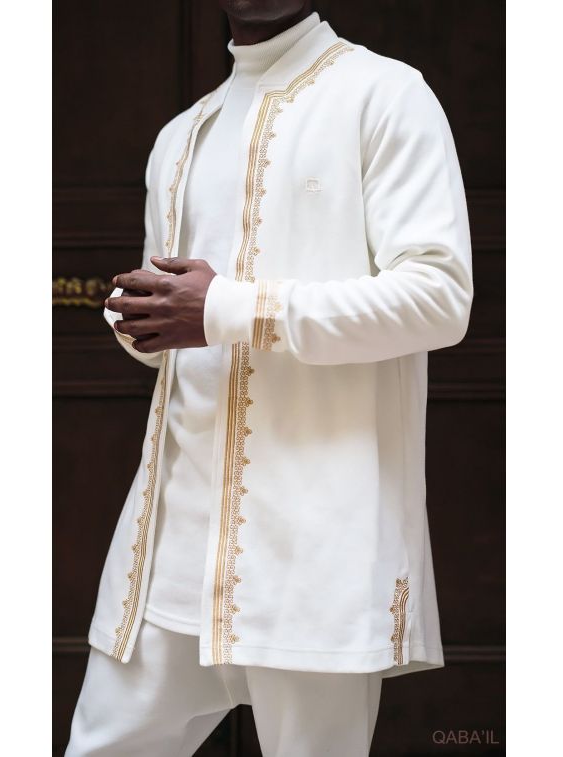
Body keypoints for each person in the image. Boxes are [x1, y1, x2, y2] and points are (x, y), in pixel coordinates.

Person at [65, 1, 473, 754]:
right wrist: (141, 323)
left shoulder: (385, 94)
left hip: (317, 555)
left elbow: (438, 299)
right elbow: (179, 335)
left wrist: (227, 307)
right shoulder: (183, 134)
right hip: (168, 555)